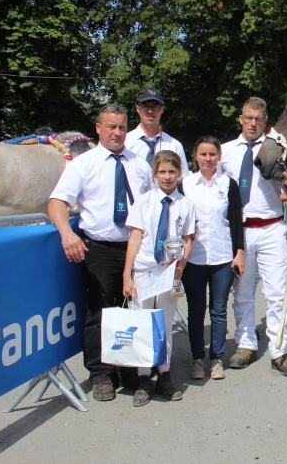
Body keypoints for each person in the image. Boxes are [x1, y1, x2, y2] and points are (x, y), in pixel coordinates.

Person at [48, 104, 153, 402]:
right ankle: (101, 375)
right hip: (100, 249)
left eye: (121, 127)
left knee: (134, 311)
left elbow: (151, 205)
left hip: (135, 247)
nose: (117, 132)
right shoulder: (83, 164)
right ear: (98, 128)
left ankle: (130, 369)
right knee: (100, 313)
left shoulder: (140, 164)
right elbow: (57, 202)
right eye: (111, 127)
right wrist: (67, 233)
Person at [221, 97, 287, 376]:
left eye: (259, 119)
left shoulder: (277, 151)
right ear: (240, 119)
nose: (253, 123)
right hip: (240, 231)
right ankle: (245, 344)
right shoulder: (225, 152)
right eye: (248, 118)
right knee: (242, 291)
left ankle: (280, 350)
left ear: (265, 122)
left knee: (277, 293)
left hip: (271, 227)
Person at [123, 151, 195, 406]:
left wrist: (182, 263)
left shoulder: (185, 204)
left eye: (172, 172)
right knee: (143, 323)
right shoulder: (143, 202)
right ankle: (144, 377)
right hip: (144, 269)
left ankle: (164, 373)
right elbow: (135, 238)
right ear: (155, 174)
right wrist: (127, 274)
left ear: (179, 174)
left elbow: (188, 238)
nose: (167, 177)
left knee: (164, 324)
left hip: (168, 271)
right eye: (162, 172)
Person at [180, 136, 245, 381]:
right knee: (196, 311)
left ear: (219, 157)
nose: (208, 159)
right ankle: (198, 358)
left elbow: (236, 222)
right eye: (203, 154)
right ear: (196, 156)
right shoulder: (185, 185)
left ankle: (216, 359)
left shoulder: (229, 184)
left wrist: (239, 252)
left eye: (212, 154)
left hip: (222, 258)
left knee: (218, 310)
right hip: (193, 258)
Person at [125, 88, 189, 176]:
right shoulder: (125, 143)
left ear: (162, 109)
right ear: (137, 108)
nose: (150, 111)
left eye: (155, 106)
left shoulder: (174, 145)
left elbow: (183, 179)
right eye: (145, 106)